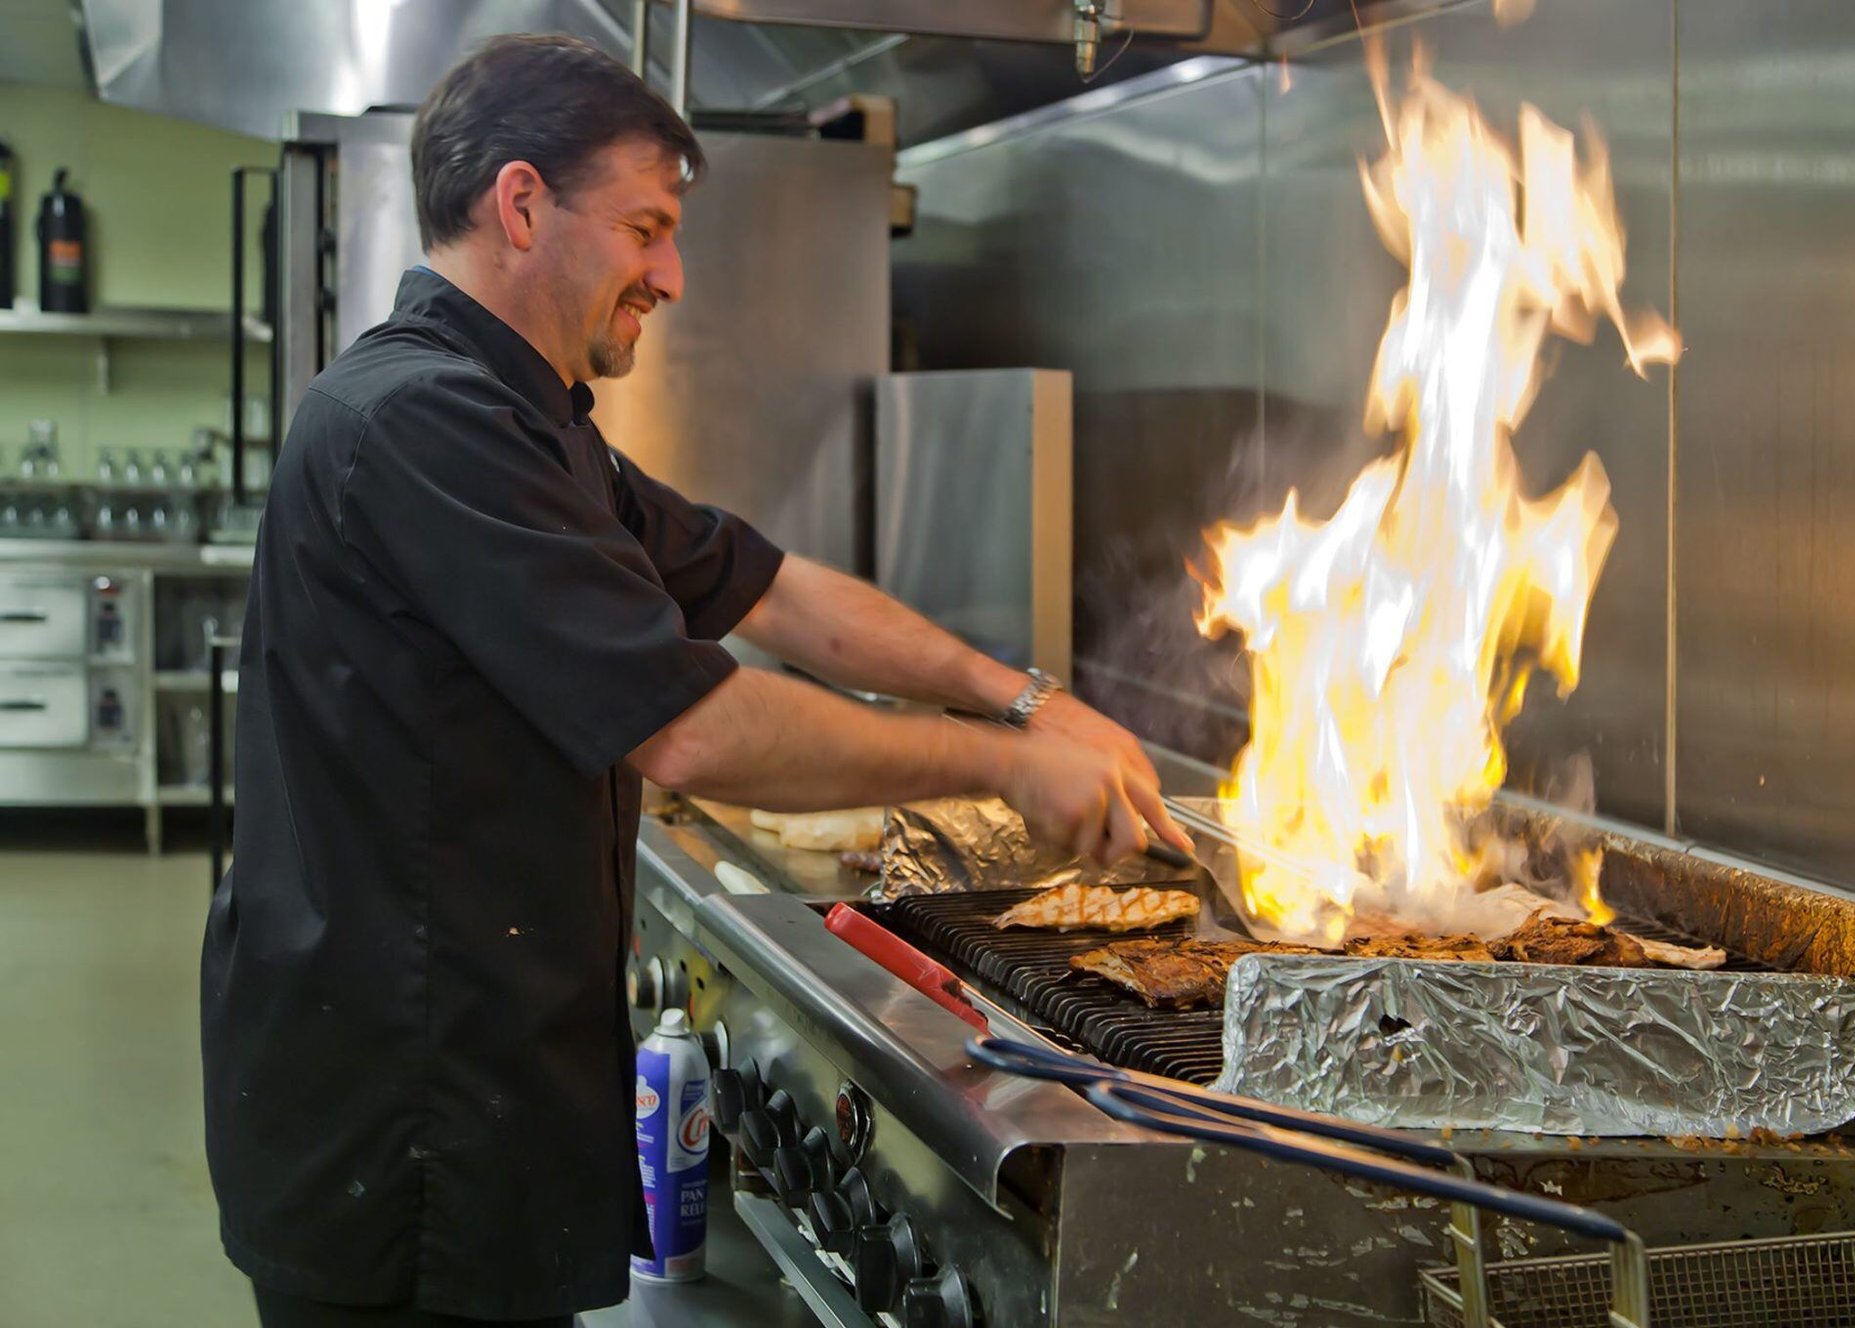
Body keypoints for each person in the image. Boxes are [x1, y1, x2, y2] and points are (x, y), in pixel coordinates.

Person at [201, 32, 1190, 1328]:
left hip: (475, 1072)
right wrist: (1005, 766)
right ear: (520, 203)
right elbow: (696, 732)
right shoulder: (420, 423)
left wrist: (1024, 699)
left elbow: (768, 586)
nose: (670, 273)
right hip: (403, 1111)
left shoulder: (529, 420)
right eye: (646, 229)